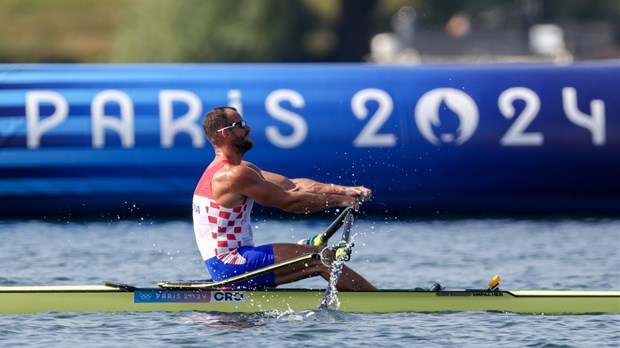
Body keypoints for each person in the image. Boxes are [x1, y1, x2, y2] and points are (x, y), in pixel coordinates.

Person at [192, 106, 376, 291]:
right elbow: (291, 201)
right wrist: (340, 202)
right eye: (241, 124)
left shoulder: (239, 169)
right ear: (226, 134)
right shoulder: (232, 175)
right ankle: (377, 304)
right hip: (231, 263)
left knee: (318, 257)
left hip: (233, 263)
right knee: (322, 258)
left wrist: (345, 191)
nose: (248, 129)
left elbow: (292, 185)